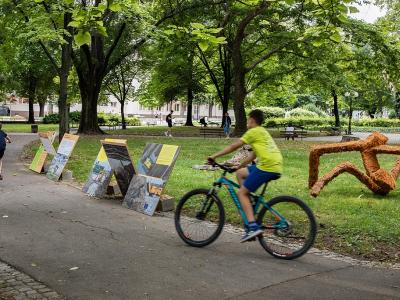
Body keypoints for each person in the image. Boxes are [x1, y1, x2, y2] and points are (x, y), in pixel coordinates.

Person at [208, 109, 282, 242]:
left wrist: (214, 156)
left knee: (241, 193)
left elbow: (233, 146)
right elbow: (253, 154)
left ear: (252, 120)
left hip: (266, 166)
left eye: (248, 119)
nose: (247, 122)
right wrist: (240, 166)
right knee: (240, 173)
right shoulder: (262, 131)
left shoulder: (253, 132)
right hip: (274, 164)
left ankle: (252, 227)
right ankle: (250, 201)